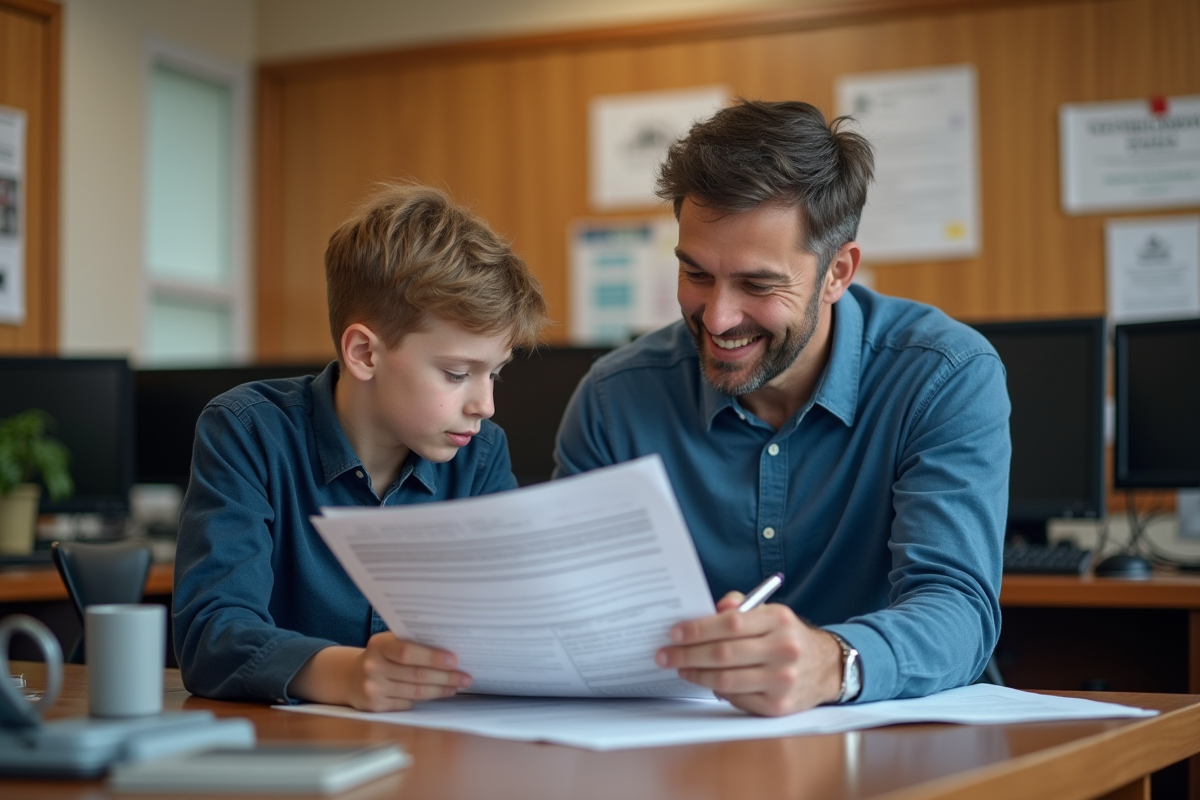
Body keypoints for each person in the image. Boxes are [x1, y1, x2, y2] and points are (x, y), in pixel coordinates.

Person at [554, 100, 1010, 717]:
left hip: (890, 730)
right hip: (683, 734)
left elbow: (957, 608)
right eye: (696, 274)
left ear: (837, 272)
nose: (718, 318)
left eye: (757, 285)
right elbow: (574, 610)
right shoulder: (615, 398)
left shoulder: (943, 375)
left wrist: (832, 663)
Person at [173, 183, 547, 710]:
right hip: (288, 747)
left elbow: (515, 625)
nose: (485, 405)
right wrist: (348, 675)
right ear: (365, 353)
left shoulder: (480, 456)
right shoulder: (247, 432)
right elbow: (210, 636)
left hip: (439, 742)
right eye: (457, 373)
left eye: (495, 374)